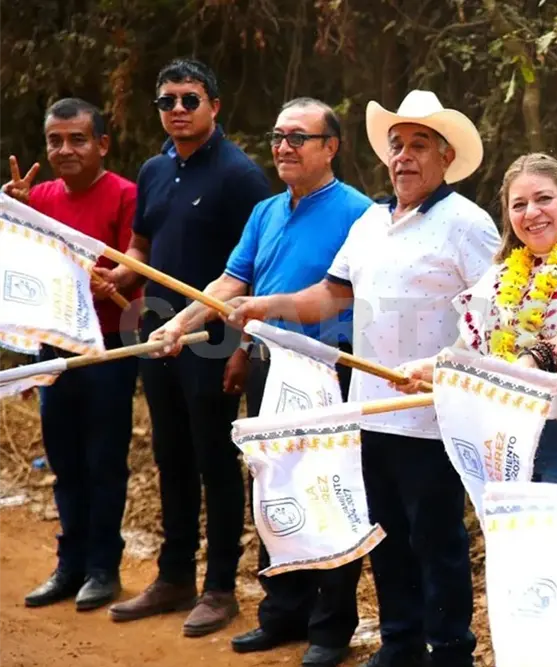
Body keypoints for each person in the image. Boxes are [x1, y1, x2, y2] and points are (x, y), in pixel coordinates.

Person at [227, 89, 500, 667]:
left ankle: (451, 652)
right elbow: (331, 295)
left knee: (437, 542)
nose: (404, 156)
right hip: (369, 411)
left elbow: (493, 314)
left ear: (446, 157)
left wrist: (445, 365)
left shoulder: (467, 223)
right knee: (386, 536)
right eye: (397, 145)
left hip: (434, 416)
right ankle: (400, 644)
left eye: (419, 145)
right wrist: (265, 306)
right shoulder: (371, 221)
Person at [146, 97, 371, 667]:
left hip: (330, 367)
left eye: (298, 137)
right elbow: (231, 283)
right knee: (272, 483)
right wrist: (179, 325)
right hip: (269, 365)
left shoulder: (360, 213)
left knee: (328, 490)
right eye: (277, 137)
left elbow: (347, 295)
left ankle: (330, 627)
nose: (283, 147)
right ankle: (282, 611)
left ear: (330, 147)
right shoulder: (266, 211)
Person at [102, 57, 273, 637]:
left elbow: (253, 271)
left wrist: (241, 347)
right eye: (167, 101)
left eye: (189, 99)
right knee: (170, 455)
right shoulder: (153, 169)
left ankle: (220, 587)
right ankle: (173, 575)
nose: (177, 110)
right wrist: (122, 275)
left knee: (214, 460)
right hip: (156, 333)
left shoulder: (240, 176)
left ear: (214, 106)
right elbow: (142, 245)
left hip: (213, 339)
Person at [393, 152, 557, 481]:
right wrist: (430, 369)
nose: (532, 212)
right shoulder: (498, 275)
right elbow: (466, 353)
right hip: (505, 441)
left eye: (544, 199)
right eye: (519, 204)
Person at [3, 98, 140, 612]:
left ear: (102, 144)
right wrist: (11, 209)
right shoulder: (36, 197)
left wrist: (116, 278)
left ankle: (104, 568)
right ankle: (70, 565)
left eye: (77, 139)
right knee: (64, 459)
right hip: (52, 343)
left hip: (108, 346)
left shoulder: (125, 194)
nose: (65, 150)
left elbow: (137, 258)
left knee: (104, 459)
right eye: (55, 141)